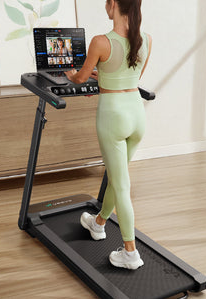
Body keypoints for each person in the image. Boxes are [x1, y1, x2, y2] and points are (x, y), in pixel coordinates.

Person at [65, 0, 152, 270]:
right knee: (118, 178)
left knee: (121, 185)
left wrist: (73, 74)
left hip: (113, 117)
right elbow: (132, 77)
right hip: (137, 115)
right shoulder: (146, 39)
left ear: (113, 4)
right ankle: (99, 223)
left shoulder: (101, 42)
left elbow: (80, 78)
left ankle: (130, 253)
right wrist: (101, 72)